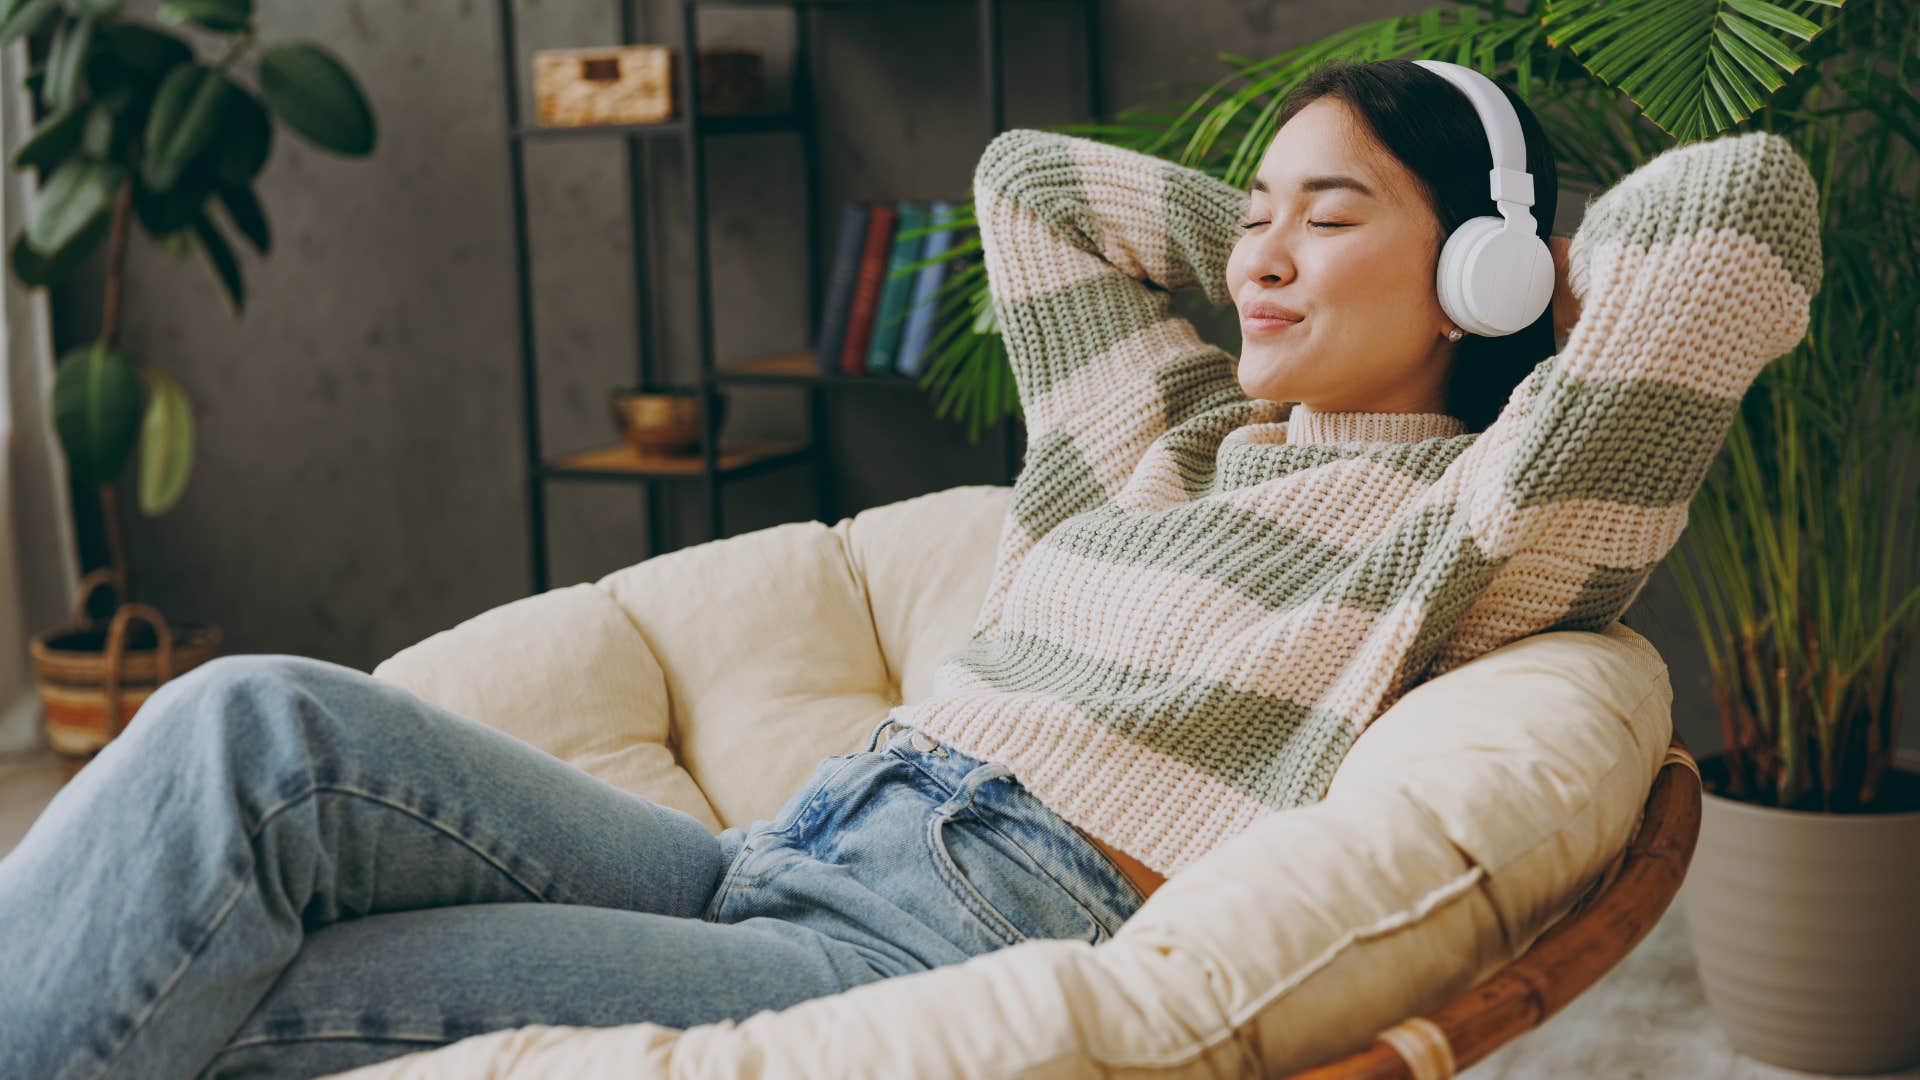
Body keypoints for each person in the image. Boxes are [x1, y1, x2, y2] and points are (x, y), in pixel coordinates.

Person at [0, 57, 1820, 1078]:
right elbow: (1029, 182)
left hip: (925, 936)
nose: (1258, 257)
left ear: (1482, 276)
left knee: (231, 1003)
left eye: (1328, 219)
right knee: (250, 731)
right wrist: (1293, 233)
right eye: (1247, 220)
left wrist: (1527, 272)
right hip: (775, 845)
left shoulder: (1477, 522)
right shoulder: (1162, 447)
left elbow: (1740, 214)